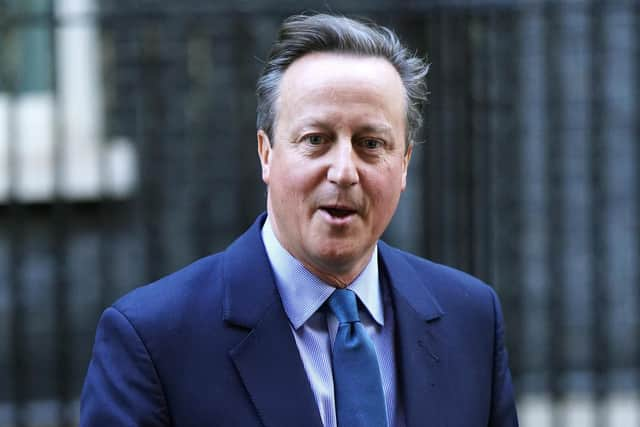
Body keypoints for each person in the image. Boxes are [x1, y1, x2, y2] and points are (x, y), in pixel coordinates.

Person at [80, 13, 519, 427]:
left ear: (404, 163)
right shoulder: (152, 340)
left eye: (370, 142)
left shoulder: (471, 319)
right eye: (316, 139)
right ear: (266, 153)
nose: (344, 170)